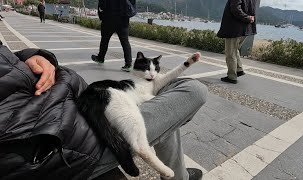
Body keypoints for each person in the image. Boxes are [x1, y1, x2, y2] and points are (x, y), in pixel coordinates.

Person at [0, 42, 207, 180]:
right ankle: (176, 175)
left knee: (165, 112)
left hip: (75, 107)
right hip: (69, 139)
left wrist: (30, 55)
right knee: (193, 90)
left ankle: (178, 176)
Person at [217, 0, 257, 84]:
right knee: (235, 50)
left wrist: (247, 18)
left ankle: (232, 77)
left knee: (230, 53)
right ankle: (239, 70)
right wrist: (249, 18)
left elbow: (235, 9)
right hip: (246, 29)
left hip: (234, 29)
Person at [91, 0, 136, 72]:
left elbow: (101, 4)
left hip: (108, 18)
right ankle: (128, 64)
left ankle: (100, 58)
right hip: (123, 19)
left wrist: (102, 16)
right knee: (125, 42)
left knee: (104, 40)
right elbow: (132, 4)